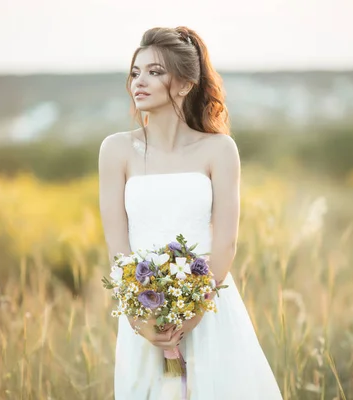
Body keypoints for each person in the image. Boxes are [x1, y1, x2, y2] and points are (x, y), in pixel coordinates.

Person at [98, 26, 282, 400]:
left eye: (155, 72)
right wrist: (139, 320)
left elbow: (226, 243)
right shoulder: (116, 150)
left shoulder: (219, 149)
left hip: (210, 308)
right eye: (135, 73)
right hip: (143, 309)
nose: (140, 82)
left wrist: (193, 314)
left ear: (184, 84)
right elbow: (117, 244)